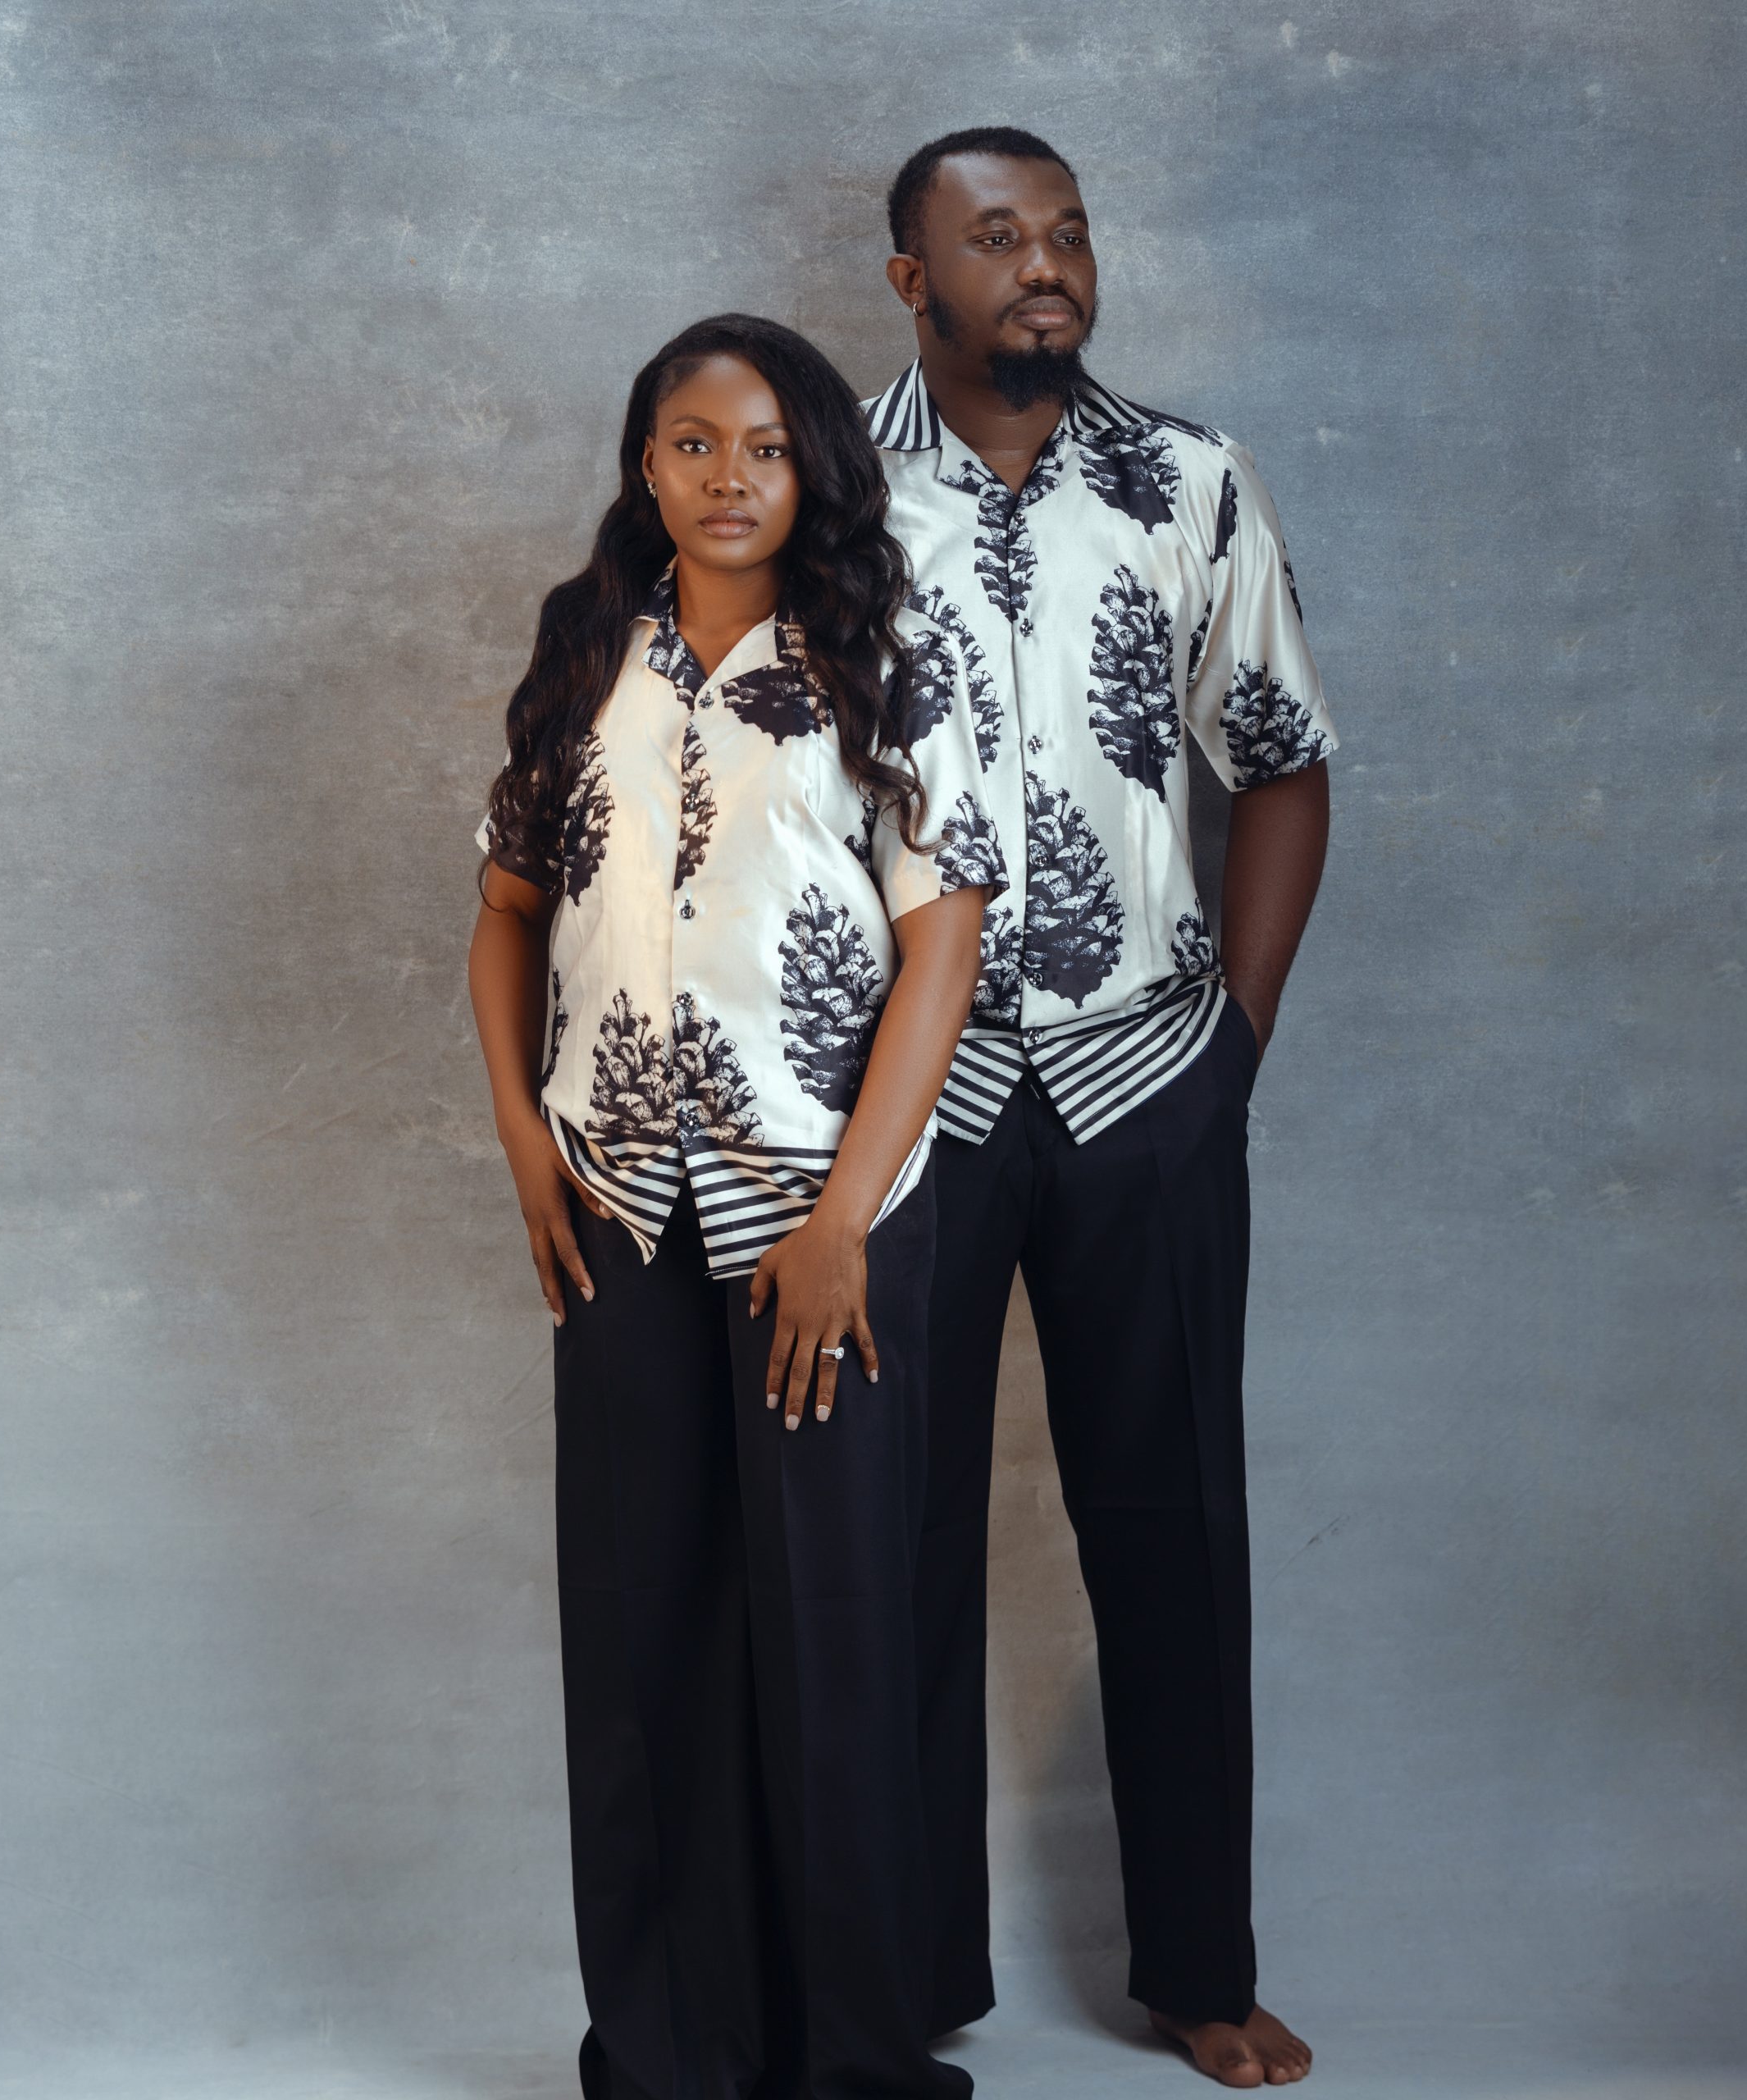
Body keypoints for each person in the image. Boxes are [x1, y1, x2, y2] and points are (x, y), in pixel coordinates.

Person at [468, 313, 1003, 2100]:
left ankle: (852, 2060)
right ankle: (667, 2051)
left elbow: (941, 950)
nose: (727, 476)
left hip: (815, 1210)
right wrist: (524, 1141)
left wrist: (846, 1218)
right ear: (645, 463)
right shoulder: (583, 652)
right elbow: (505, 912)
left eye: (765, 446)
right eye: (692, 442)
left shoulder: (884, 657)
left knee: (830, 1632)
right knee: (644, 1634)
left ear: (813, 467)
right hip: (617, 1201)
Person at [864, 130, 1338, 2089]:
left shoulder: (1189, 482)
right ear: (912, 279)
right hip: (907, 1097)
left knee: (1172, 1522)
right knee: (885, 1533)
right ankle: (896, 1976)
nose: (1044, 266)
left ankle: (1199, 1967)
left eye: (1064, 233)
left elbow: (1281, 762)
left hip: (1145, 1077)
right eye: (995, 239)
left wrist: (1230, 1048)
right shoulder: (818, 487)